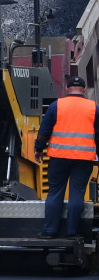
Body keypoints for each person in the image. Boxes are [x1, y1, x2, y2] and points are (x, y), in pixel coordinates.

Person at [34, 76, 99, 239]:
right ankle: (72, 233)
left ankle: (49, 232)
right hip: (84, 159)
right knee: (77, 194)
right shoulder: (94, 108)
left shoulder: (57, 105)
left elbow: (44, 131)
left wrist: (38, 149)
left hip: (59, 157)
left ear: (67, 89)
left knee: (55, 192)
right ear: (83, 90)